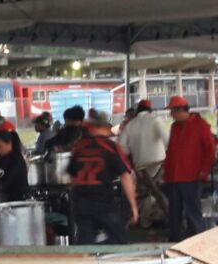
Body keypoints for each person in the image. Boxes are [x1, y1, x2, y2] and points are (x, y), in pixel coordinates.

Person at [68, 111, 137, 244]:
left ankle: (88, 256)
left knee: (86, 244)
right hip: (103, 201)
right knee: (119, 241)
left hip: (81, 202)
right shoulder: (110, 146)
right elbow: (126, 176)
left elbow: (72, 178)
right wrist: (133, 206)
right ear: (102, 127)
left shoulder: (79, 147)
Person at [163, 96, 216, 241]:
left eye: (172, 111)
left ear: (181, 110)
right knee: (174, 212)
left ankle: (198, 240)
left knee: (192, 211)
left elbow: (210, 151)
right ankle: (174, 240)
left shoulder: (201, 125)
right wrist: (166, 171)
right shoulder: (175, 127)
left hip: (192, 176)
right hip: (174, 176)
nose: (171, 115)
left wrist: (204, 170)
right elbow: (171, 151)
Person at [121, 100, 170, 225]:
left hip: (140, 167)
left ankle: (145, 220)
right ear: (150, 110)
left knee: (145, 193)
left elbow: (122, 148)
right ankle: (162, 216)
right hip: (158, 164)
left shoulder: (130, 125)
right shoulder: (156, 120)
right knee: (160, 191)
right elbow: (168, 141)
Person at [0, 128, 30, 202]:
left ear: (9, 143)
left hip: (19, 200)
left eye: (0, 146)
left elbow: (7, 181)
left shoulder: (15, 159)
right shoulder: (4, 157)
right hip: (9, 197)